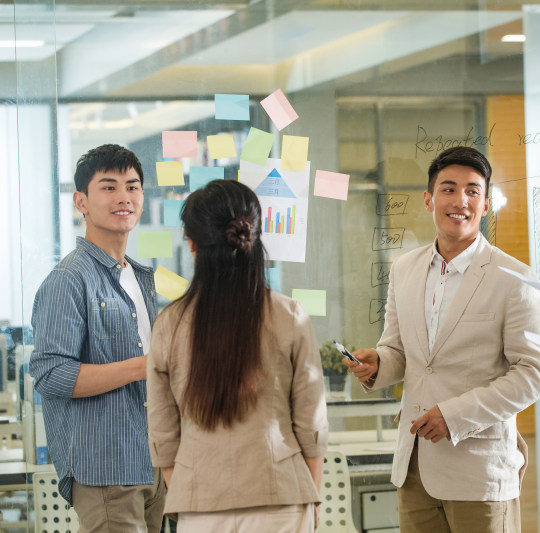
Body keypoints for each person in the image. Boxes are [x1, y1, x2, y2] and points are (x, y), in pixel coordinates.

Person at [345, 146, 540, 533]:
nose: (461, 201)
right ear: (428, 199)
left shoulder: (515, 278)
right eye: (449, 189)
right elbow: (399, 350)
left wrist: (454, 416)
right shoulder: (404, 269)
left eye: (473, 191)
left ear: (486, 204)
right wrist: (378, 363)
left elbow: (533, 375)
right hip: (414, 466)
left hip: (479, 471)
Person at [147, 179, 328, 533]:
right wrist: (309, 497)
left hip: (200, 504)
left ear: (193, 245)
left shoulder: (169, 324)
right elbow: (311, 423)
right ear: (254, 237)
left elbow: (162, 433)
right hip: (280, 497)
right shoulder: (289, 314)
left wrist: (191, 489)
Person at [29, 144, 166, 532]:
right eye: (108, 187)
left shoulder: (139, 278)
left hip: (152, 459)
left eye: (133, 186)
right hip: (106, 468)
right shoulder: (69, 280)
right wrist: (145, 367)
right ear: (81, 202)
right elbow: (51, 375)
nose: (124, 196)